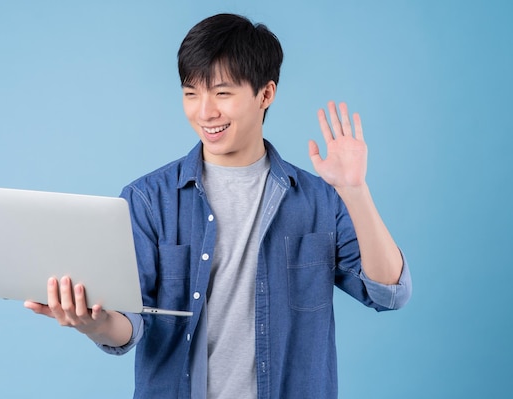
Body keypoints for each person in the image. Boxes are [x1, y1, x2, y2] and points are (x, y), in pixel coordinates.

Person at [25, 13, 412, 399]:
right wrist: (92, 323)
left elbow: (387, 292)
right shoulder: (148, 199)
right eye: (191, 93)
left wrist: (355, 191)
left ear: (265, 94)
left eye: (222, 93)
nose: (204, 111)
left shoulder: (318, 198)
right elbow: (129, 323)